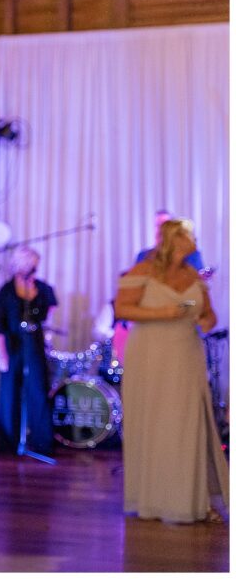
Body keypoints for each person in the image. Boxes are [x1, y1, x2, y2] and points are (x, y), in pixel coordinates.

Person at [115, 219, 228, 523]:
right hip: (150, 351)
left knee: (185, 421)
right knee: (154, 419)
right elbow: (122, 309)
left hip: (185, 351)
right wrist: (162, 313)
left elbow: (201, 310)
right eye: (188, 234)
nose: (194, 238)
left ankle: (188, 498)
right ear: (175, 239)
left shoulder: (192, 275)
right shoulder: (144, 270)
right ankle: (152, 498)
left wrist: (204, 321)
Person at [0, 246, 57, 457]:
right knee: (9, 391)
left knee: (37, 388)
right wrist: (0, 352)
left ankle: (41, 442)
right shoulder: (5, 291)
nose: (34, 271)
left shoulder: (42, 289)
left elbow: (49, 313)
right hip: (12, 341)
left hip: (33, 339)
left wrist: (34, 296)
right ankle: (8, 443)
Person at [134, 208, 205, 271]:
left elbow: (198, 280)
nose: (160, 230)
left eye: (165, 226)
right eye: (158, 225)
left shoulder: (191, 255)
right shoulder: (143, 255)